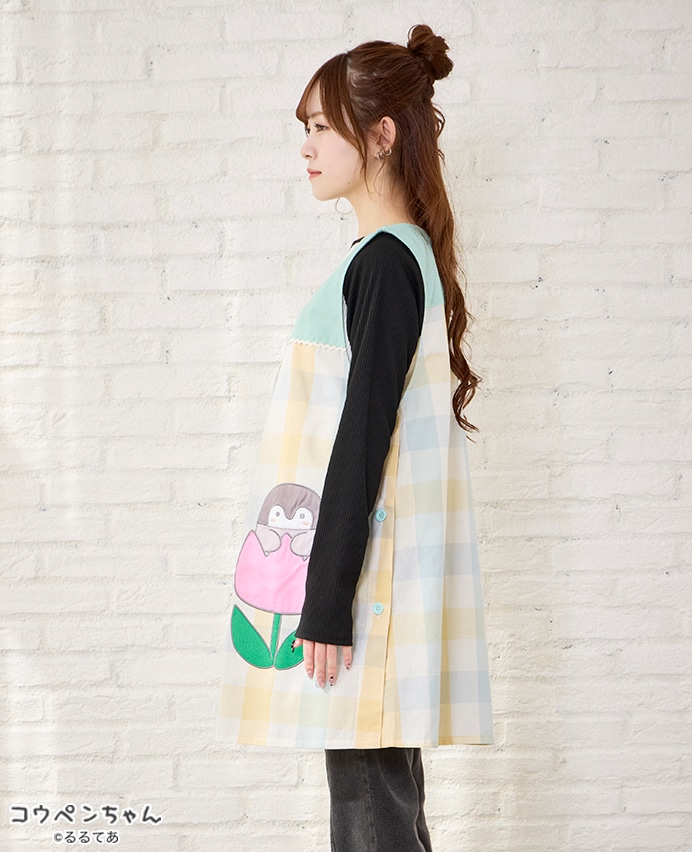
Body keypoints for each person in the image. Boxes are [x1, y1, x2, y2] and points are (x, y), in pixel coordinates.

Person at [217, 24, 493, 852]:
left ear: (381, 135)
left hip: (366, 588)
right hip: (373, 581)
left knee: (370, 811)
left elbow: (362, 436)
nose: (305, 147)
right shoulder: (390, 258)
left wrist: (327, 597)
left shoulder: (383, 264)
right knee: (383, 805)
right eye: (302, 128)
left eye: (321, 126)